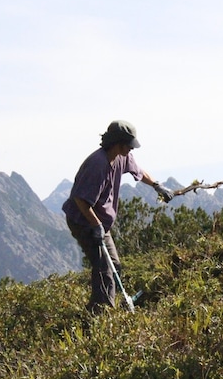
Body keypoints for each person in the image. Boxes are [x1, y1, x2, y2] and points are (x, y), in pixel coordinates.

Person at [62, 120, 174, 313]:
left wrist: (157, 185)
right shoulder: (97, 165)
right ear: (118, 143)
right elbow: (80, 200)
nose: (131, 149)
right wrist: (96, 226)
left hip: (99, 223)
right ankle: (101, 316)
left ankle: (99, 308)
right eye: (129, 145)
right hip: (83, 221)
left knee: (114, 266)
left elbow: (138, 171)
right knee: (105, 270)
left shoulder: (122, 157)